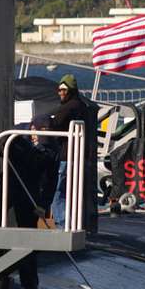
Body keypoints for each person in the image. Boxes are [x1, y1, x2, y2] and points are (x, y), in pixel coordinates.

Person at [50, 73, 84, 228]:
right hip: (76, 155)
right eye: (59, 90)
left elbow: (55, 124)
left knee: (59, 192)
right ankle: (71, 223)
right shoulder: (81, 105)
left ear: (71, 90)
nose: (61, 93)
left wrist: (46, 124)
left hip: (66, 155)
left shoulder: (69, 107)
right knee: (70, 192)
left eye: (64, 90)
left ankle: (62, 225)